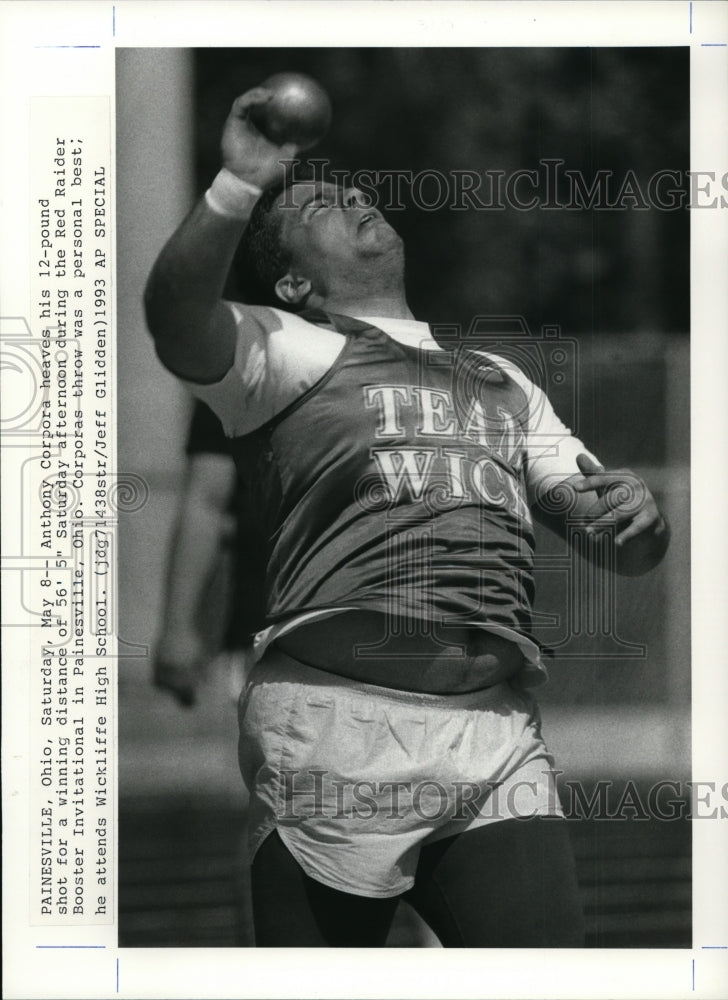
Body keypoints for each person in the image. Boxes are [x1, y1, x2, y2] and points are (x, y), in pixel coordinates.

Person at [144, 85, 669, 947]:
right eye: (317, 203)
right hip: (335, 736)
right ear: (291, 280)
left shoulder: (503, 378)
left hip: (495, 737)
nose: (352, 197)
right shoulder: (279, 350)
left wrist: (644, 524)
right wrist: (238, 187)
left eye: (353, 191)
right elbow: (171, 319)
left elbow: (616, 540)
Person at [153, 399, 267, 707]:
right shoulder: (236, 375)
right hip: (267, 629)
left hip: (379, 624)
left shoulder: (396, 362)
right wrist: (177, 630)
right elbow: (205, 501)